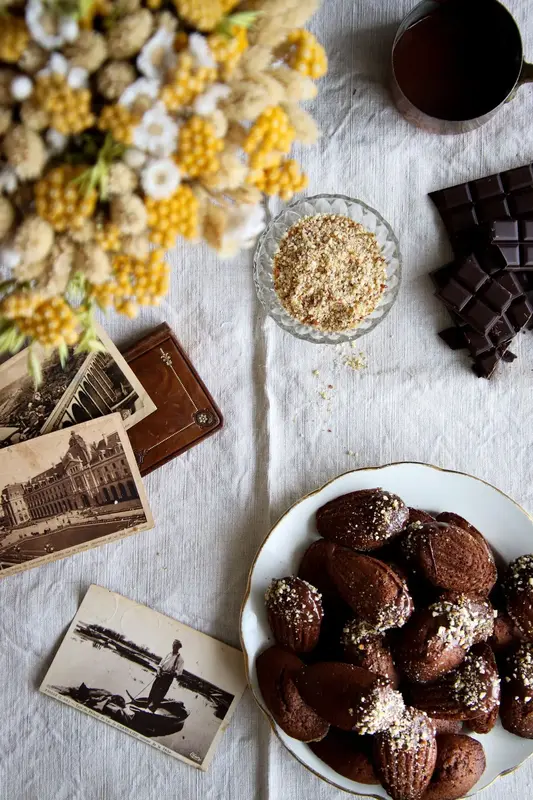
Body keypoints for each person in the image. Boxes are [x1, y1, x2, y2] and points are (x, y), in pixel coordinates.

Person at [147, 639, 184, 712]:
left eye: (176, 646)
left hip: (167, 678)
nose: (174, 647)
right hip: (160, 675)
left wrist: (173, 673)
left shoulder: (180, 659)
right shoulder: (168, 654)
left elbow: (179, 672)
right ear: (172, 645)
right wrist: (158, 671)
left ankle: (152, 710)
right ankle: (147, 705)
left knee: (159, 695)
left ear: (179, 648)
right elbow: (160, 664)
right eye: (174, 645)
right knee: (153, 691)